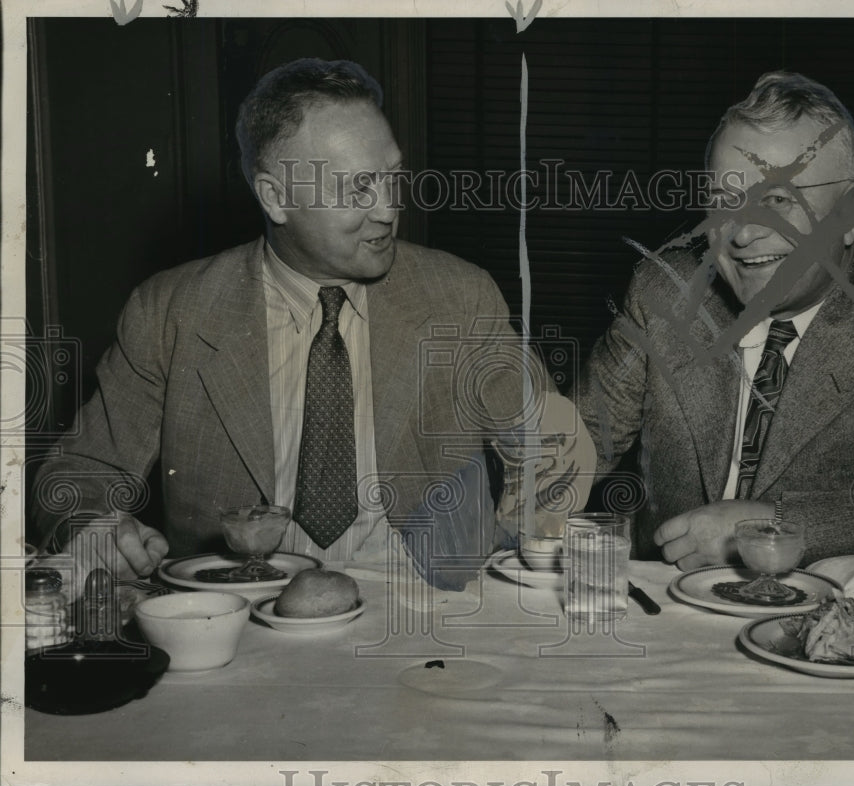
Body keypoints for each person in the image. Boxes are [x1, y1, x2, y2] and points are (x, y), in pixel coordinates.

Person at [31, 58, 591, 593]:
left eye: (394, 176)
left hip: (424, 612)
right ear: (276, 197)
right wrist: (94, 528)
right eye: (357, 188)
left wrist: (519, 545)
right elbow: (77, 472)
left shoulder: (458, 296)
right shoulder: (170, 311)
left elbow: (554, 443)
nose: (389, 208)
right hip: (243, 621)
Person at [577, 71, 854, 574]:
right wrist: (539, 468)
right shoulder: (666, 291)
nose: (742, 234)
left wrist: (777, 526)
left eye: (779, 201)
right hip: (668, 621)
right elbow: (584, 436)